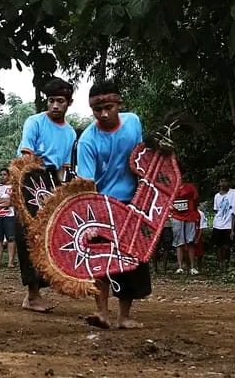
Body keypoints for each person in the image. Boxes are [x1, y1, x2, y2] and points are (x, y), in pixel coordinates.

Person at [76, 80, 149, 329]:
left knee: (130, 260)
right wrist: (90, 220)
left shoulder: (133, 123)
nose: (104, 114)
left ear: (119, 104)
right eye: (98, 110)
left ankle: (125, 315)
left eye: (109, 107)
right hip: (101, 206)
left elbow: (141, 159)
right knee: (101, 260)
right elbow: (86, 185)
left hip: (132, 204)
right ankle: (102, 313)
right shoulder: (87, 140)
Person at [16, 77, 77, 312]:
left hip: (53, 183)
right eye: (51, 100)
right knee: (29, 236)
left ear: (68, 103)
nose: (54, 106)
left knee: (49, 238)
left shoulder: (71, 133)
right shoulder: (35, 122)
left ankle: (37, 292)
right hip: (29, 180)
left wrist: (60, 194)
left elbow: (63, 169)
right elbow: (26, 157)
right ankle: (32, 295)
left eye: (60, 101)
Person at [171, 174, 200, 275]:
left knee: (190, 241)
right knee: (179, 242)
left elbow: (196, 200)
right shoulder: (171, 187)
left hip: (190, 216)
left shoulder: (190, 187)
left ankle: (192, 267)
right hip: (177, 217)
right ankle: (180, 267)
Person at [0, 168, 17, 268]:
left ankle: (10, 262)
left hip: (9, 215)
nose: (2, 176)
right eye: (1, 174)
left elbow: (11, 201)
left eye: (4, 174)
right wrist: (4, 201)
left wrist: (0, 202)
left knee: (11, 238)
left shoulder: (13, 187)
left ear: (8, 176)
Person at [212, 175, 235, 272]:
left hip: (228, 224)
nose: (223, 183)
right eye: (221, 181)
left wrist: (233, 228)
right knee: (217, 245)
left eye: (225, 181)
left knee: (227, 245)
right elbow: (216, 210)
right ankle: (220, 263)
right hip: (218, 223)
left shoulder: (234, 193)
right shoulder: (217, 196)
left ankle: (226, 262)